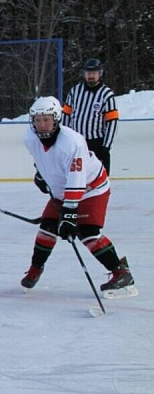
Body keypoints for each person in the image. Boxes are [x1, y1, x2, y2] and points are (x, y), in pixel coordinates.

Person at [21, 96, 136, 299]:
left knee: (88, 232)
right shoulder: (30, 138)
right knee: (47, 227)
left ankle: (121, 273)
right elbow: (41, 159)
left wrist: (70, 214)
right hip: (61, 190)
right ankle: (35, 269)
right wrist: (41, 174)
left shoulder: (72, 143)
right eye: (37, 120)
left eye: (46, 119)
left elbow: (76, 180)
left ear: (56, 119)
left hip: (91, 188)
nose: (41, 125)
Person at [62, 58, 119, 174]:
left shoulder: (107, 95)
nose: (91, 76)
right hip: (77, 143)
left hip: (96, 143)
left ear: (100, 74)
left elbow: (112, 122)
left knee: (98, 179)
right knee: (75, 176)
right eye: (88, 73)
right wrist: (65, 138)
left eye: (94, 73)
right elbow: (66, 116)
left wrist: (106, 147)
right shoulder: (75, 91)